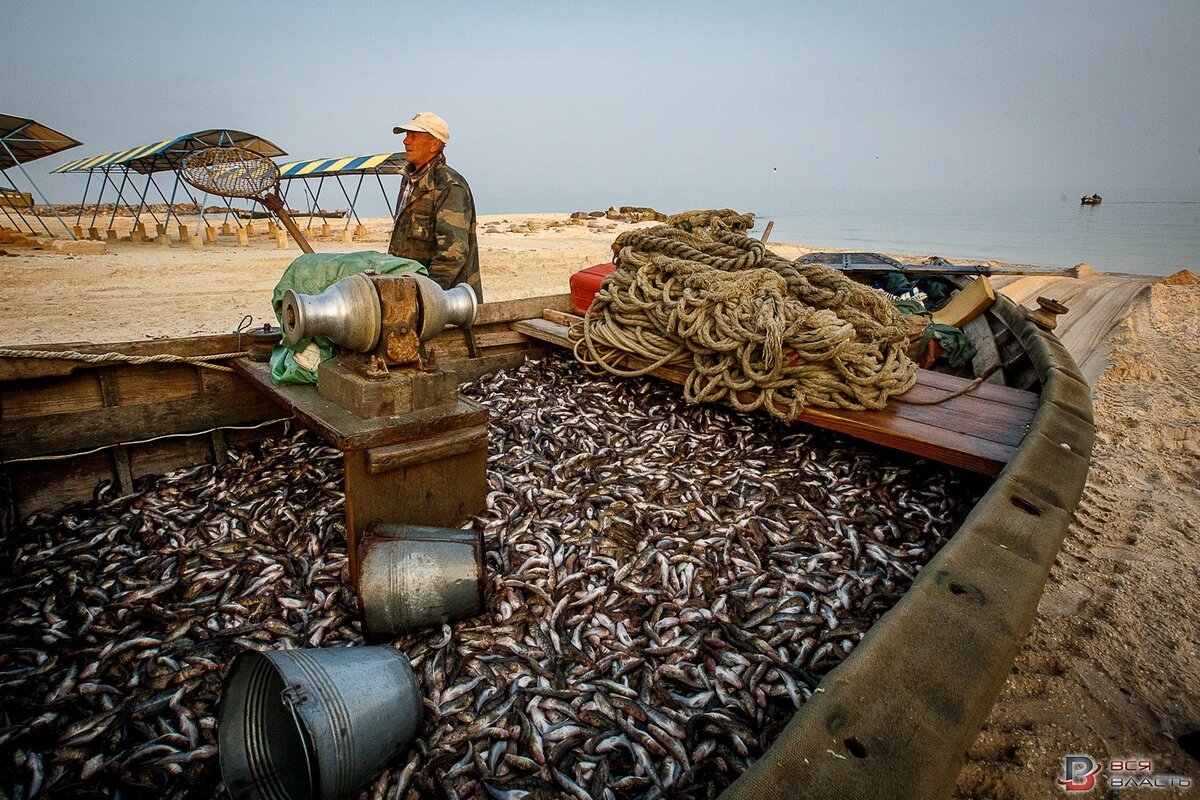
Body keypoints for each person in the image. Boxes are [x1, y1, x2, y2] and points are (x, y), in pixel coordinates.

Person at [387, 112, 482, 300]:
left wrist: (427, 299)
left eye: (413, 136)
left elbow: (452, 255)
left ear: (434, 144)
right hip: (409, 294)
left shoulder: (448, 186)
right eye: (406, 135)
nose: (406, 141)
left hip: (448, 302)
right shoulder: (409, 181)